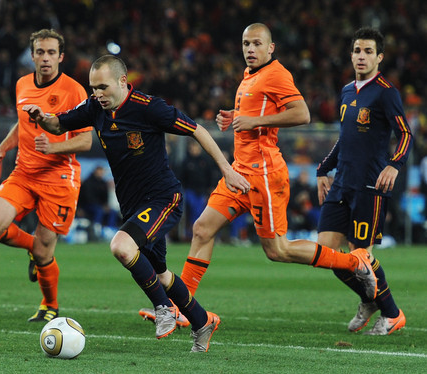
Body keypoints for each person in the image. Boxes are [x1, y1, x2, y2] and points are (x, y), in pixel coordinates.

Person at [139, 23, 378, 327]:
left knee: (277, 250)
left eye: (256, 44)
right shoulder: (249, 76)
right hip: (240, 171)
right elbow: (254, 118)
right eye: (245, 44)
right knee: (201, 229)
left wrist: (254, 120)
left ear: (270, 48)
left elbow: (302, 113)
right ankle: (180, 309)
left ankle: (354, 261)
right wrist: (236, 117)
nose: (250, 49)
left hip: (264, 174)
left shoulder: (277, 74)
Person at [23, 54, 251, 352]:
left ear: (122, 82)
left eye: (103, 87)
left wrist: (226, 168)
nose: (97, 94)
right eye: (93, 88)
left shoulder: (149, 108)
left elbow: (198, 130)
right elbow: (58, 124)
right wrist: (42, 117)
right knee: (161, 274)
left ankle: (164, 309)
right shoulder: (94, 108)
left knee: (121, 246)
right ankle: (202, 321)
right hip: (133, 205)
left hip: (163, 198)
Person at [0, 29, 92, 323]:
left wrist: (54, 146)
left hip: (59, 178)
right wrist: (3, 147)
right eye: (40, 52)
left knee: (46, 255)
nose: (45, 58)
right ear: (32, 56)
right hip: (24, 173)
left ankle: (50, 305)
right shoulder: (22, 85)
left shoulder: (74, 91)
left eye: (51, 53)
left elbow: (86, 141)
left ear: (61, 57)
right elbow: (21, 123)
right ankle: (32, 247)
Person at [316, 27, 412, 335]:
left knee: (361, 255)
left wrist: (395, 165)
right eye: (357, 50)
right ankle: (369, 300)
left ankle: (393, 314)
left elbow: (406, 134)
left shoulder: (386, 92)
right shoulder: (346, 91)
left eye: (368, 51)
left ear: (379, 57)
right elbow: (344, 140)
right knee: (327, 254)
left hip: (369, 186)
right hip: (341, 182)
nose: (361, 56)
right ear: (351, 54)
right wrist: (322, 169)